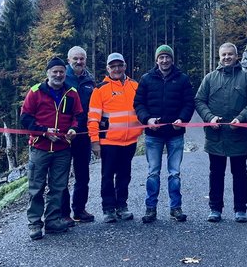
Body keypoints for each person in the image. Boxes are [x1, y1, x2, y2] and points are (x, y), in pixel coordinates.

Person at [195, 42, 247, 223]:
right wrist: (209, 118)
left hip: (238, 135)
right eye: (223, 55)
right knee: (216, 173)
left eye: (230, 54)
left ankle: (241, 209)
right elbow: (199, 101)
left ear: (236, 56)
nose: (227, 57)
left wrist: (241, 118)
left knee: (240, 173)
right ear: (219, 56)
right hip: (215, 136)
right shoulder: (209, 78)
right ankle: (215, 208)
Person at [21, 57, 83, 240]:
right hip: (39, 148)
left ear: (65, 73)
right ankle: (34, 224)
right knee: (36, 187)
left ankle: (53, 221)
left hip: (62, 149)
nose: (58, 75)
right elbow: (25, 118)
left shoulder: (72, 93)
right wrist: (43, 132)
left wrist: (73, 129)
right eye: (54, 71)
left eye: (61, 72)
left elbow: (78, 116)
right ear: (47, 73)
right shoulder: (35, 91)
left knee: (58, 187)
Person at [134, 44, 195, 223]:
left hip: (175, 134)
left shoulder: (182, 79)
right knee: (153, 172)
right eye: (161, 57)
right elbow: (138, 104)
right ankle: (150, 208)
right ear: (156, 60)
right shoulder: (146, 79)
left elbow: (189, 103)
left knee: (174, 173)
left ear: (172, 59)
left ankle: (175, 208)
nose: (164, 60)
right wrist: (147, 120)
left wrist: (182, 119)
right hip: (153, 135)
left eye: (167, 57)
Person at [88, 53, 142, 223]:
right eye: (113, 66)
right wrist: (94, 141)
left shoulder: (135, 86)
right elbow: (93, 118)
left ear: (125, 66)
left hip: (130, 141)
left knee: (125, 175)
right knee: (107, 175)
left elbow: (141, 109)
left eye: (120, 65)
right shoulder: (100, 89)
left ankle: (122, 205)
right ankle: (108, 208)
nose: (117, 69)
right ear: (108, 69)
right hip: (109, 142)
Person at [60, 46, 96, 225]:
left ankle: (79, 209)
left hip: (84, 134)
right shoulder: (61, 78)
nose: (78, 62)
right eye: (75, 58)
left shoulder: (90, 80)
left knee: (83, 174)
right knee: (63, 175)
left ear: (85, 60)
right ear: (69, 60)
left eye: (81, 59)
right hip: (65, 135)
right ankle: (64, 213)